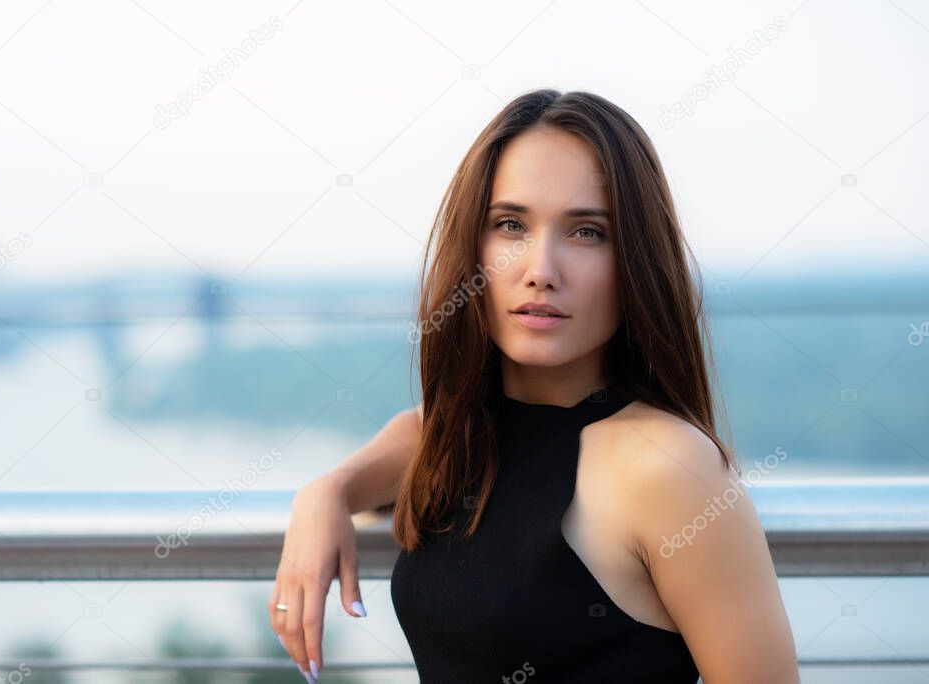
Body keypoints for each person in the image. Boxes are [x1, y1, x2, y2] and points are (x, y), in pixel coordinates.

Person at [269, 89, 800, 683]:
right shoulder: (452, 433)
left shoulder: (670, 467)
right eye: (511, 225)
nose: (541, 269)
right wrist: (323, 496)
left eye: (587, 232)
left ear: (636, 262)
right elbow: (386, 454)